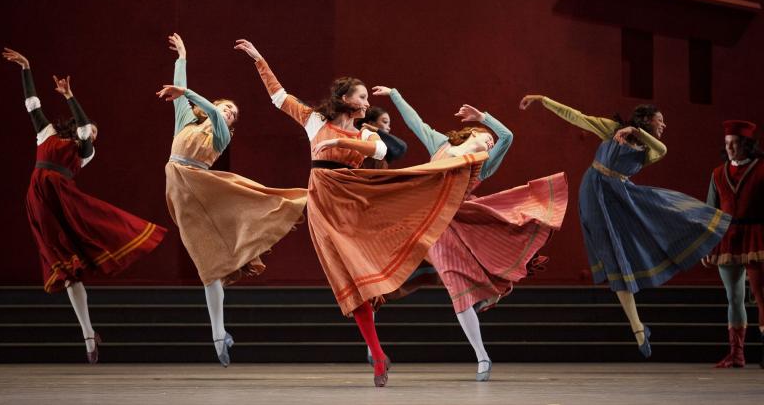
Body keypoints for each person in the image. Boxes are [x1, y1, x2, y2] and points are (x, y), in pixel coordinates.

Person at [235, 39, 487, 386]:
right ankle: (377, 354)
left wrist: (342, 142)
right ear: (344, 99)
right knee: (347, 281)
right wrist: (260, 59)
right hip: (323, 204)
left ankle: (414, 279)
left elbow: (382, 149)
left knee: (367, 268)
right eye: (362, 97)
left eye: (368, 99)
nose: (367, 103)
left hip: (354, 198)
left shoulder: (364, 130)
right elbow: (279, 97)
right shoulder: (314, 121)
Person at [373, 86, 567, 380]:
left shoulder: (483, 164)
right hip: (425, 221)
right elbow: (416, 123)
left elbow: (507, 137)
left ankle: (482, 357)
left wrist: (485, 118)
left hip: (456, 224)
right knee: (386, 269)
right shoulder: (440, 144)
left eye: (490, 142)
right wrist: (396, 94)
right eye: (484, 136)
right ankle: (372, 341)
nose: (489, 142)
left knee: (457, 290)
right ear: (469, 134)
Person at [519, 94, 730, 358]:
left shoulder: (651, 148)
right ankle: (638, 327)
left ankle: (638, 328)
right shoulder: (612, 129)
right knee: (611, 258)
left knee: (656, 220)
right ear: (648, 119)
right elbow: (578, 117)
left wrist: (636, 131)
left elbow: (662, 150)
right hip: (593, 191)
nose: (664, 126)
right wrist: (543, 100)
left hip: (620, 197)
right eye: (660, 120)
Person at [3, 48, 166, 364]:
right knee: (64, 268)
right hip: (39, 198)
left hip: (63, 200)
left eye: (96, 133)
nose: (94, 134)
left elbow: (82, 132)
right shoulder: (47, 135)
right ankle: (88, 332)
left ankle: (88, 335)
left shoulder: (85, 152)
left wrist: (70, 96)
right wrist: (26, 68)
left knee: (73, 269)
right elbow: (32, 105)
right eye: (94, 129)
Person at [159, 34, 307, 367]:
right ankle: (219, 333)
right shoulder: (186, 122)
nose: (228, 113)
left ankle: (217, 335)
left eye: (233, 113)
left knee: (212, 262)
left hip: (202, 188)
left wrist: (192, 95)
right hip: (181, 191)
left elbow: (206, 106)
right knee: (208, 265)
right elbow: (182, 97)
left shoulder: (221, 134)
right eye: (227, 107)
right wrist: (182, 56)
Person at [704, 120, 764, 368]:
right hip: (727, 238)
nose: (730, 148)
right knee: (734, 297)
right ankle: (736, 353)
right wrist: (706, 244)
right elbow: (709, 212)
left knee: (762, 295)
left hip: (756, 236)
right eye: (727, 144)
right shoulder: (718, 173)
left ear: (746, 145)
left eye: (735, 143)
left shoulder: (762, 169)